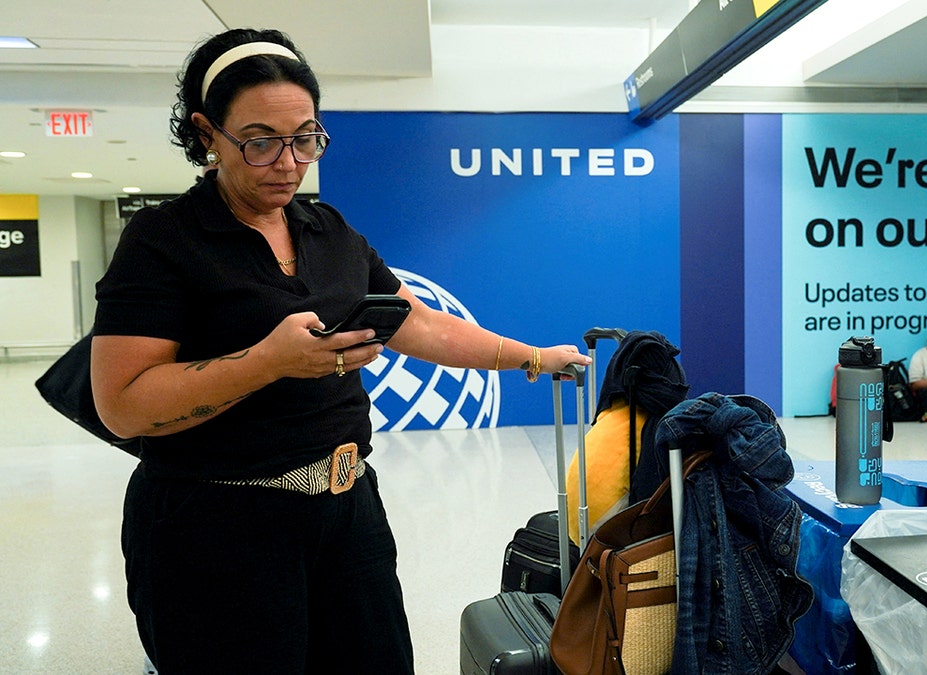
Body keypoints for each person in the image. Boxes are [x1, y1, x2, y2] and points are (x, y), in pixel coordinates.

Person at [90, 28, 590, 673]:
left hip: (346, 510)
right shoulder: (164, 240)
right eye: (260, 141)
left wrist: (532, 357)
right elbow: (124, 405)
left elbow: (420, 324)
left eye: (305, 138)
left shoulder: (325, 229)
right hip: (215, 527)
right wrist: (267, 361)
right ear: (207, 134)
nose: (288, 162)